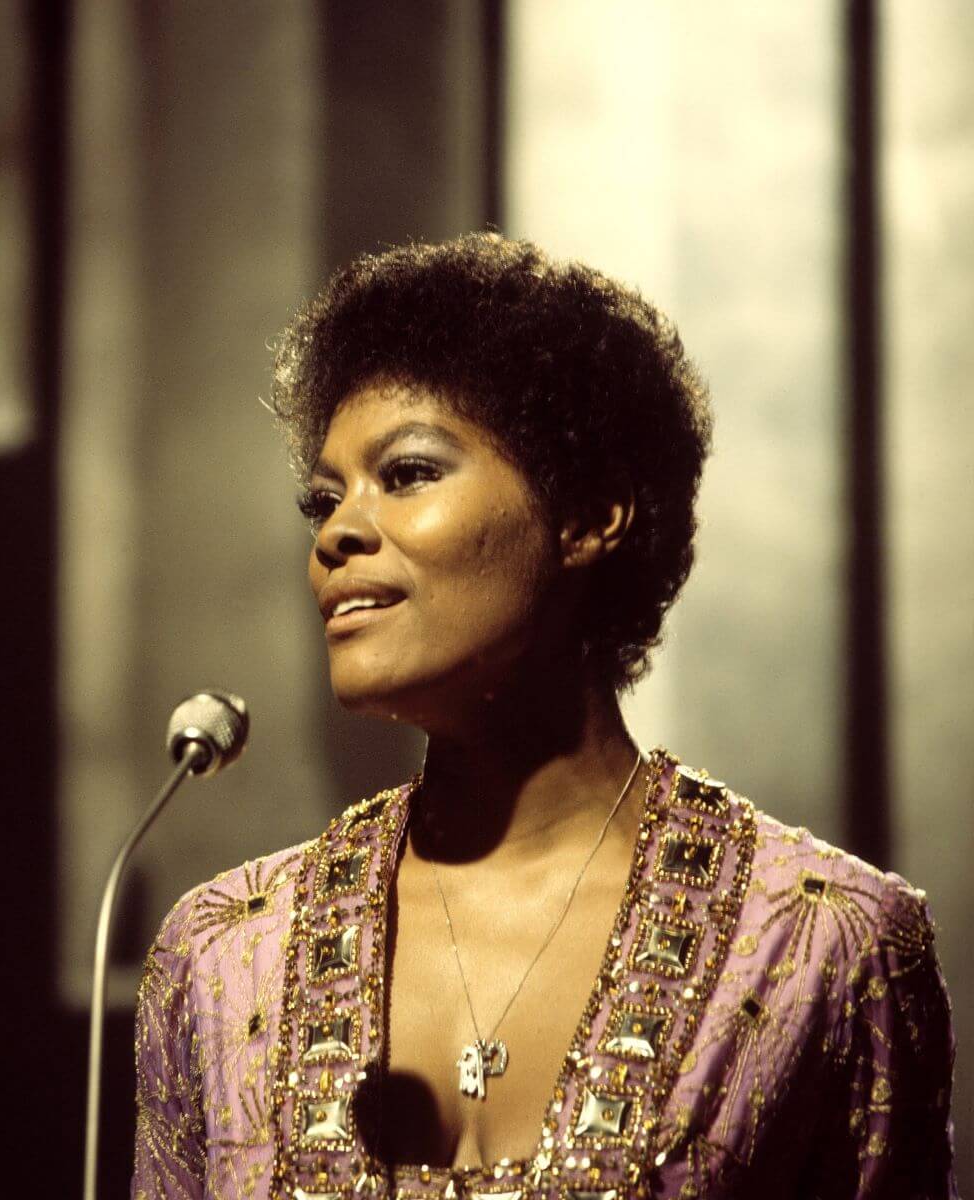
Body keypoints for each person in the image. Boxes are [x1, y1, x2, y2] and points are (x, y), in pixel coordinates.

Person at [131, 233, 958, 1199]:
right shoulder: (226, 954)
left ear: (590, 515)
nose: (337, 535)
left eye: (406, 475)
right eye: (321, 500)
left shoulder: (826, 945)